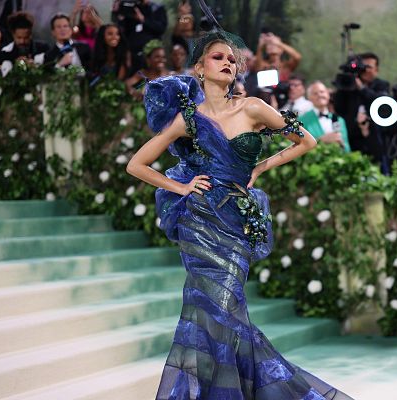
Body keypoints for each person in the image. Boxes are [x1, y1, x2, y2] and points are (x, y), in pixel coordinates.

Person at [126, 30, 353, 400]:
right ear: (199, 68)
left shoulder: (253, 107)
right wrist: (181, 188)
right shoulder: (188, 118)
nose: (228, 62)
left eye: (232, 59)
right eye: (218, 57)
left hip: (235, 220)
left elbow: (306, 141)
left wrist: (260, 168)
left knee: (226, 310)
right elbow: (137, 164)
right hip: (198, 221)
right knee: (207, 312)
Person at [334, 52, 391, 172]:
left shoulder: (382, 86)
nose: (365, 70)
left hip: (374, 140)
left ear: (377, 69)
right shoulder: (349, 86)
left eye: (368, 67)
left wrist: (362, 89)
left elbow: (381, 104)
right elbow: (339, 108)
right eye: (362, 66)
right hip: (352, 139)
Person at [112, 0, 168, 75]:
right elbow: (122, 30)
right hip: (133, 55)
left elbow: (161, 28)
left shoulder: (157, 8)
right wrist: (116, 13)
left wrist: (143, 20)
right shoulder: (132, 7)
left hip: (151, 55)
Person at [299, 81, 350, 152]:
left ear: (328, 95)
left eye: (322, 92)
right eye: (315, 93)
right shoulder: (302, 121)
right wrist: (321, 140)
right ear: (309, 98)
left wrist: (342, 145)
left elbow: (347, 147)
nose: (319, 95)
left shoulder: (339, 120)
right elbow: (299, 147)